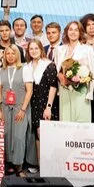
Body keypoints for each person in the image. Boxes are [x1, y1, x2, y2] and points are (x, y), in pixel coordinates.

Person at [0, 45, 34, 177]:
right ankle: (9, 164)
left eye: (13, 53)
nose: (10, 56)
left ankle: (19, 166)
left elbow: (29, 91)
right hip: (5, 108)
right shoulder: (2, 70)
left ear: (17, 55)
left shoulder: (25, 69)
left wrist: (23, 109)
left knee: (18, 137)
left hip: (20, 108)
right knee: (6, 136)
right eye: (8, 53)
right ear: (4, 56)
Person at [25, 39, 58, 169]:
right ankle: (40, 166)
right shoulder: (27, 66)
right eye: (31, 49)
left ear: (41, 49)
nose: (34, 51)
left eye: (36, 48)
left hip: (45, 104)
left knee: (44, 136)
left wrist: (48, 107)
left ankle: (49, 167)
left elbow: (53, 87)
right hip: (32, 104)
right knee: (37, 137)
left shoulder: (49, 65)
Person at [54, 21, 94, 123]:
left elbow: (92, 70)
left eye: (76, 30)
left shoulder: (87, 49)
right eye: (70, 29)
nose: (73, 32)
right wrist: (60, 76)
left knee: (80, 120)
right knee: (65, 119)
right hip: (65, 89)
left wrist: (90, 92)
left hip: (81, 90)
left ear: (80, 32)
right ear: (66, 32)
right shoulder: (59, 50)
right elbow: (57, 68)